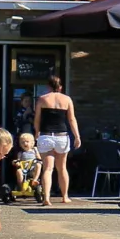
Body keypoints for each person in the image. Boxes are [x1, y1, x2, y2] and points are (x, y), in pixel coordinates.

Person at [35, 75, 81, 205]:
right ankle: (65, 196)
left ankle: (46, 198)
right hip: (62, 136)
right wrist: (77, 136)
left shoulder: (42, 99)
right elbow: (72, 119)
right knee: (62, 168)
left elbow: (37, 119)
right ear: (60, 87)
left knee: (48, 169)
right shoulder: (67, 99)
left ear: (48, 86)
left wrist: (36, 133)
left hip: (46, 135)